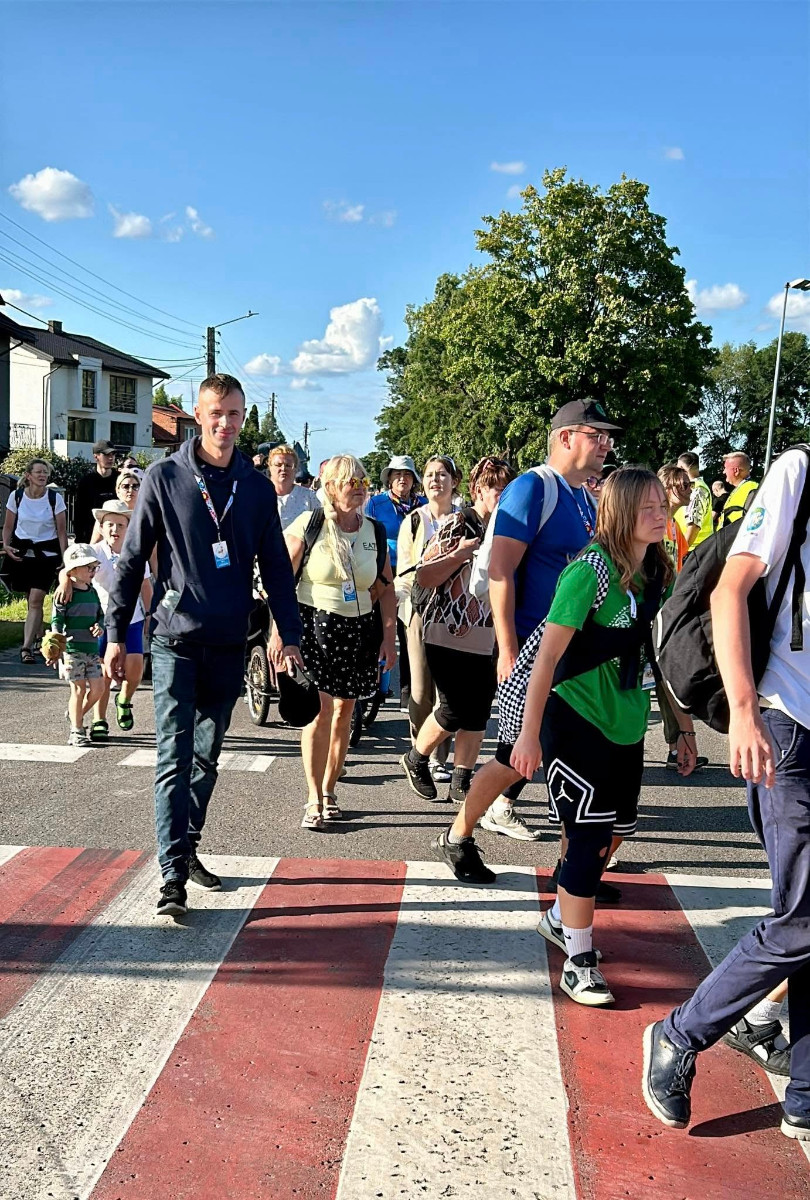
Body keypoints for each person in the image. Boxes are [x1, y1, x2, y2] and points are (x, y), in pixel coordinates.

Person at [643, 446, 810, 1140]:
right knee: (804, 918)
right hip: (788, 723)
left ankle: (804, 1094)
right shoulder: (799, 472)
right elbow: (728, 591)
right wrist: (743, 710)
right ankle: (680, 1033)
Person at [104, 373, 303, 918]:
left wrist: (288, 634)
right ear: (198, 415)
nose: (225, 423)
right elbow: (131, 561)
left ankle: (187, 844)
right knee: (174, 755)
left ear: (243, 417)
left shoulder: (255, 488)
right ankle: (172, 874)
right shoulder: (165, 477)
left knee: (207, 757)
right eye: (216, 413)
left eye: (234, 414)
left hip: (230, 641)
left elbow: (277, 570)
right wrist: (117, 633)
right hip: (176, 639)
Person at [501, 469, 697, 1007]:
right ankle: (579, 961)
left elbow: (661, 655)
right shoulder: (589, 571)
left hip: (627, 721)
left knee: (616, 833)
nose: (660, 515)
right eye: (648, 507)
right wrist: (528, 735)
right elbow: (546, 659)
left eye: (662, 506)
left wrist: (682, 728)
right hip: (573, 718)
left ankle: (560, 916)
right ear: (620, 512)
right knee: (587, 841)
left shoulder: (657, 571)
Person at [431, 399, 621, 866]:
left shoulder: (583, 497)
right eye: (596, 435)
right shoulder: (532, 489)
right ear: (565, 437)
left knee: (570, 759)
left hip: (571, 652)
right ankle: (457, 835)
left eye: (607, 437)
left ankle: (573, 869)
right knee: (512, 757)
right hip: (533, 649)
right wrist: (508, 649)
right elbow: (500, 570)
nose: (606, 445)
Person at [285, 455, 396, 829]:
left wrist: (389, 639)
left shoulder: (374, 531)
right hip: (314, 626)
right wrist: (279, 634)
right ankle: (313, 797)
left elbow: (385, 588)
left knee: (345, 712)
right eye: (352, 482)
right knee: (319, 712)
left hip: (359, 630)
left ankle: (330, 790)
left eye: (363, 481)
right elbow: (281, 582)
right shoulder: (310, 524)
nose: (360, 488)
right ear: (331, 487)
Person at [401, 457, 513, 805]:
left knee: (478, 711)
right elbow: (424, 575)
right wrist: (460, 554)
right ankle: (416, 757)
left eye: (506, 489)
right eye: (495, 488)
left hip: (488, 634)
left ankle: (461, 779)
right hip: (447, 631)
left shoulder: (506, 529)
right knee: (453, 708)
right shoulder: (459, 522)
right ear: (478, 489)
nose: (501, 495)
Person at [396, 456, 461, 785]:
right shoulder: (414, 521)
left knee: (448, 691)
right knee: (421, 691)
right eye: (430, 475)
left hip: (457, 615)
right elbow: (404, 572)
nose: (436, 480)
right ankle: (418, 751)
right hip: (420, 612)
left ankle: (438, 758)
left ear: (455, 481)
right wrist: (407, 608)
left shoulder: (465, 519)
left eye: (443, 474)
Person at [656, 463, 709, 774]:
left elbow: (680, 569)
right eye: (684, 485)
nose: (690, 490)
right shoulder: (655, 523)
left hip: (667, 612)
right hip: (651, 613)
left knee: (668, 679)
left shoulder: (674, 527)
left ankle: (676, 747)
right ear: (669, 488)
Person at [366, 455, 425, 710]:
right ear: (389, 479)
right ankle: (374, 684)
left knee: (409, 632)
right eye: (397, 474)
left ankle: (408, 692)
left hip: (414, 573)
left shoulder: (423, 505)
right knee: (379, 628)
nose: (402, 479)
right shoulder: (376, 504)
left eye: (407, 475)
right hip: (383, 570)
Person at [2, 457, 68, 663]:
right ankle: (39, 637)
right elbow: (8, 526)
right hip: (22, 553)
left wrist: (65, 558)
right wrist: (6, 545)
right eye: (38, 472)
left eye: (45, 472)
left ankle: (26, 648)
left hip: (46, 555)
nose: (43, 475)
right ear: (28, 476)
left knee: (36, 600)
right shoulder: (16, 496)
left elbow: (62, 531)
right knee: (31, 598)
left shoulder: (54, 499)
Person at [51, 543, 106, 747]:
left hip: (91, 649)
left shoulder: (92, 591)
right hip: (72, 650)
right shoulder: (64, 593)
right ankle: (77, 731)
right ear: (73, 570)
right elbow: (56, 621)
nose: (92, 571)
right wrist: (56, 643)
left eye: (94, 567)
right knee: (78, 690)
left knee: (99, 688)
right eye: (88, 567)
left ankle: (76, 714)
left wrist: (99, 626)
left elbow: (100, 615)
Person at [268, 443, 321, 532]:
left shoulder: (309, 497)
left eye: (288, 465)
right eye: (278, 465)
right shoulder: (259, 496)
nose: (283, 468)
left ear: (296, 468)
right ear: (270, 467)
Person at [73, 440, 119, 541]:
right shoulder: (86, 482)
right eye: (106, 454)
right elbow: (79, 513)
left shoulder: (120, 480)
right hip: (91, 537)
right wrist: (80, 539)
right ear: (96, 456)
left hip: (116, 535)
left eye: (113, 454)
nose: (111, 458)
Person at [674, 452, 713, 550]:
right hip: (692, 548)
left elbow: (694, 525)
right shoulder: (692, 487)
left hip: (695, 549)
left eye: (678, 469)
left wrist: (681, 552)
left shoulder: (697, 489)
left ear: (682, 468)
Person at [89, 470, 142, 542]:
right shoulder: (107, 513)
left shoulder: (145, 515)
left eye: (135, 486)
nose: (130, 490)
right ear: (118, 490)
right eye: (126, 486)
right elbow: (94, 545)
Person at [718, 451, 758, 528]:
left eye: (725, 468)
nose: (724, 472)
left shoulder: (752, 489)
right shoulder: (741, 488)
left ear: (736, 471)